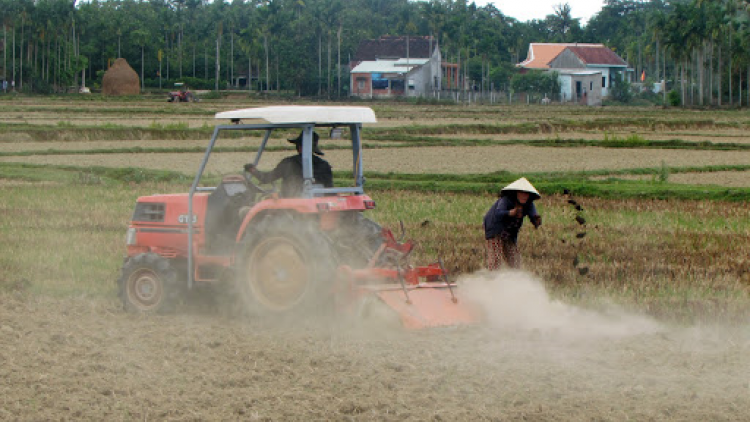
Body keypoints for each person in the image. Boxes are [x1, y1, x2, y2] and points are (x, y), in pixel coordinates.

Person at [244, 131, 333, 198]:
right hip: (319, 204)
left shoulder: (289, 163)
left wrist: (252, 170)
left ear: (299, 147)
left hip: (290, 206)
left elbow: (266, 178)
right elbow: (330, 191)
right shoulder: (324, 165)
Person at [483, 177, 542, 271]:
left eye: (526, 193)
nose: (524, 195)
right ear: (516, 193)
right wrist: (510, 213)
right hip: (495, 228)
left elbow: (534, 217)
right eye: (521, 193)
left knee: (515, 260)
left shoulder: (529, 204)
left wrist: (537, 221)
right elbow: (498, 213)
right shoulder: (506, 200)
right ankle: (493, 280)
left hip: (510, 232)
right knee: (496, 259)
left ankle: (515, 280)